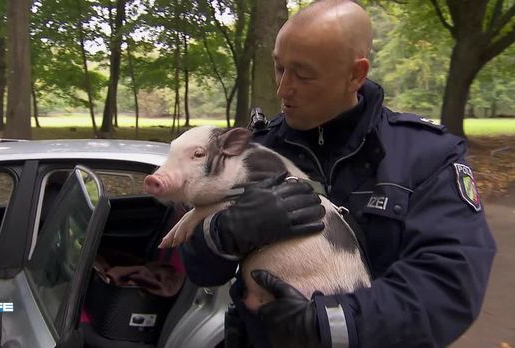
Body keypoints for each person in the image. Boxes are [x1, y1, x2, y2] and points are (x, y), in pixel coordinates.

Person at [179, 0, 496, 347]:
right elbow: (199, 270)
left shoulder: (426, 155)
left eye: (303, 74)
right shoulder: (254, 152)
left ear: (355, 75)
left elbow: (449, 282)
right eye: (279, 67)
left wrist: (327, 324)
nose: (283, 89)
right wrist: (223, 234)